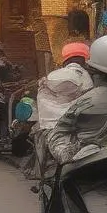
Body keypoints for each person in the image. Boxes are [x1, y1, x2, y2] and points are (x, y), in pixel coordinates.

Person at [47, 34, 107, 166]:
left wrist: (66, 157)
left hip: (90, 165)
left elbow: (59, 132)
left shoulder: (89, 99)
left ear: (94, 70)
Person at [31, 41, 94, 177]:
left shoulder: (53, 76)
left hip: (50, 127)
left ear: (65, 59)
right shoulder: (88, 78)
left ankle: (41, 176)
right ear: (86, 60)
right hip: (81, 127)